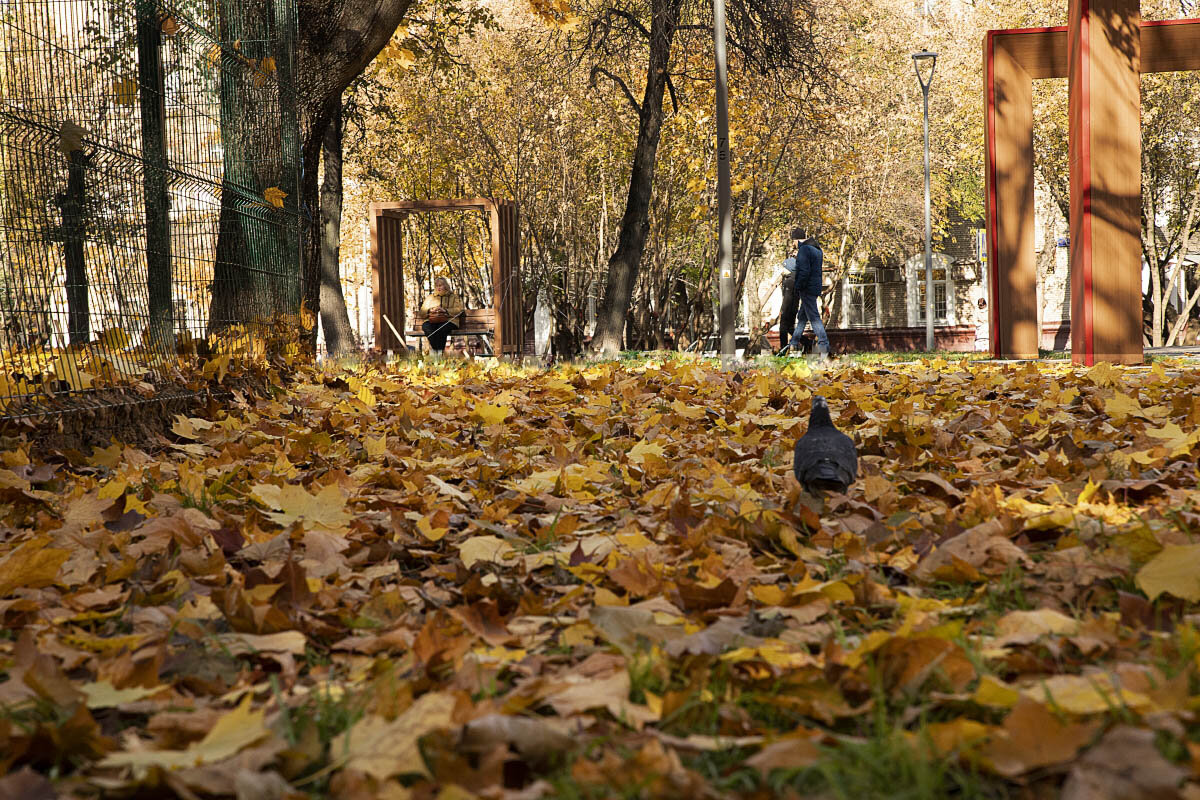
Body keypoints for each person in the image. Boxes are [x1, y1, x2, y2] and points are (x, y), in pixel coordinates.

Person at [786, 229, 830, 359]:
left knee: (814, 318)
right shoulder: (817, 250)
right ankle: (793, 344)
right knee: (802, 317)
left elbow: (804, 271)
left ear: (796, 239)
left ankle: (824, 346)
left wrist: (797, 287)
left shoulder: (804, 250)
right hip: (814, 287)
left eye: (793, 241)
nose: (793, 244)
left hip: (807, 288)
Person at [420, 277, 465, 355]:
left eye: (440, 285)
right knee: (426, 327)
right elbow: (422, 312)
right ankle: (439, 353)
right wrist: (430, 310)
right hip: (432, 320)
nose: (438, 287)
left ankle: (437, 354)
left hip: (450, 320)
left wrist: (445, 311)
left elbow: (459, 310)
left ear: (446, 286)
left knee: (441, 328)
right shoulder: (430, 297)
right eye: (437, 285)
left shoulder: (453, 296)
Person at [777, 227, 802, 352]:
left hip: (789, 298)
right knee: (790, 327)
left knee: (784, 325)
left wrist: (782, 308)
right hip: (794, 297)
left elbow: (785, 268)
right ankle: (806, 343)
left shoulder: (790, 278)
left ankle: (783, 348)